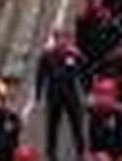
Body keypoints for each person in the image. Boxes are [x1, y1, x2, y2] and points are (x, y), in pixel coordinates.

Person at [36, 29, 87, 161]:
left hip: (71, 93)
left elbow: (84, 69)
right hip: (53, 94)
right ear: (54, 40)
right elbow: (40, 76)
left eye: (64, 39)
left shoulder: (72, 55)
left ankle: (81, 150)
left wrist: (79, 55)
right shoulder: (47, 56)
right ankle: (51, 151)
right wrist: (38, 94)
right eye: (58, 39)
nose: (61, 42)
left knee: (76, 123)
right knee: (52, 125)